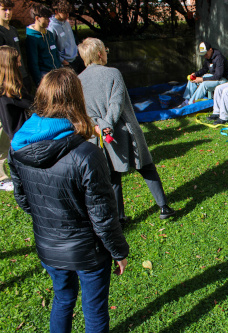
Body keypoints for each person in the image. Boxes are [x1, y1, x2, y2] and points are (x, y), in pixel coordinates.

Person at [8, 68, 129, 332]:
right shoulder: (87, 155)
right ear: (77, 99)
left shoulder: (17, 146)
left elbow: (23, 200)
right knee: (94, 309)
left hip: (48, 246)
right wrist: (119, 251)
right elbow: (104, 217)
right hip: (87, 251)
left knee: (63, 299)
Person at [78, 37, 175, 221]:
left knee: (112, 176)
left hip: (99, 135)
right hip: (125, 131)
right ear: (99, 53)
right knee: (146, 167)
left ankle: (120, 219)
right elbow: (116, 103)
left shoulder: (78, 80)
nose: (106, 52)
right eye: (105, 49)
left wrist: (99, 126)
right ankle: (164, 207)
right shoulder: (113, 73)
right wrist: (108, 124)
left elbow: (82, 111)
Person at [0, 46, 33, 192]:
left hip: (11, 129)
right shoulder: (9, 90)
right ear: (9, 64)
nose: (20, 64)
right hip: (12, 129)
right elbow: (30, 102)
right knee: (3, 152)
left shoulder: (9, 86)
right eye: (17, 62)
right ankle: (2, 179)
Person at [25, 3, 61, 86]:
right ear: (37, 18)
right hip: (45, 76)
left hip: (57, 73)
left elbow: (55, 53)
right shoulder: (32, 38)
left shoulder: (49, 34)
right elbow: (33, 62)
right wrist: (39, 81)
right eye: (46, 18)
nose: (49, 21)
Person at [0, 0, 32, 92]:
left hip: (22, 73)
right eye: (4, 9)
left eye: (10, 9)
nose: (8, 12)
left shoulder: (13, 30)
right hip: (9, 77)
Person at [48, 0, 84, 73]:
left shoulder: (66, 23)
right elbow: (52, 47)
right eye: (64, 13)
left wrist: (75, 51)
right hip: (66, 63)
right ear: (56, 11)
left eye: (68, 13)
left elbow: (71, 39)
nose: (67, 15)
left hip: (75, 57)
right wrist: (62, 60)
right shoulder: (52, 27)